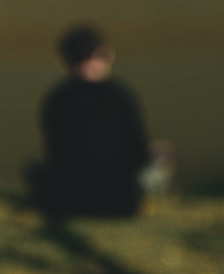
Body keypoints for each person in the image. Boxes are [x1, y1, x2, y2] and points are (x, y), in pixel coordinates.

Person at [27, 25, 150, 218]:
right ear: (104, 52)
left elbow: (57, 152)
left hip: (71, 198)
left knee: (34, 167)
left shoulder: (57, 99)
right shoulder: (120, 96)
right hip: (119, 200)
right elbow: (137, 152)